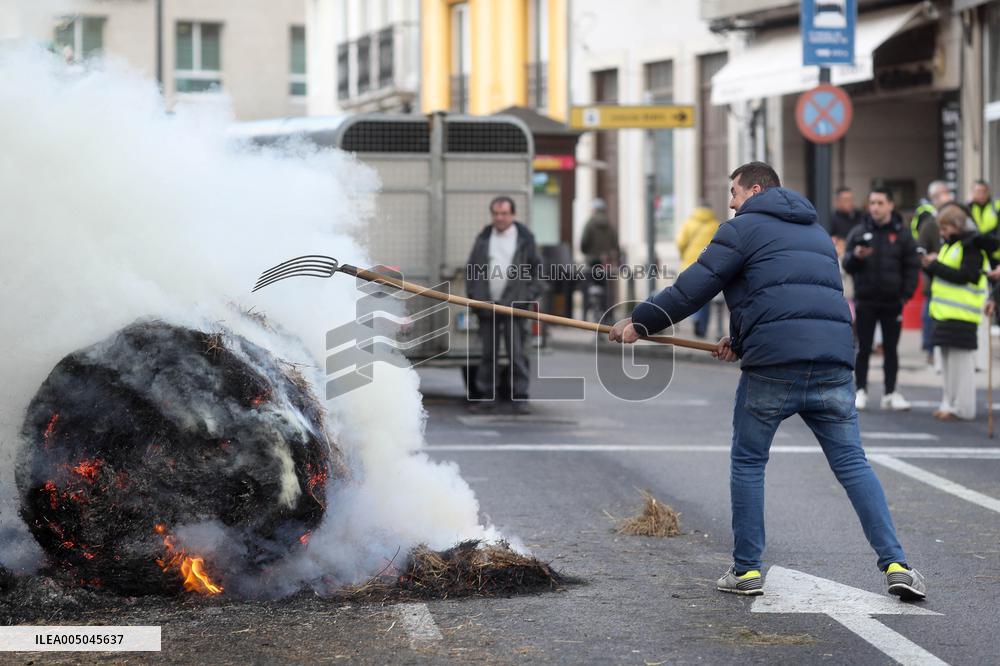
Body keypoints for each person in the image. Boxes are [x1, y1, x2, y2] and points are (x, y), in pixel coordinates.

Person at [608, 162, 926, 601]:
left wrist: (640, 323)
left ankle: (747, 571)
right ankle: (897, 565)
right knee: (853, 465)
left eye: (734, 192)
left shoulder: (741, 229)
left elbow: (692, 288)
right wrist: (740, 339)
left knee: (749, 462)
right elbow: (788, 293)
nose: (731, 202)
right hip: (833, 362)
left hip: (775, 367)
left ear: (755, 189)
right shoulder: (814, 232)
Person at [465, 196, 544, 414]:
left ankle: (520, 397)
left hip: (515, 307)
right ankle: (487, 396)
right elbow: (472, 269)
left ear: (513, 215)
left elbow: (539, 272)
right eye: (496, 214)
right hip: (487, 306)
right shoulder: (484, 238)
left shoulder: (525, 240)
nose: (500, 218)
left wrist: (527, 297)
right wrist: (474, 296)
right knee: (487, 354)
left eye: (504, 214)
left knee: (516, 354)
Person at [843, 188, 919, 411]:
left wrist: (905, 295)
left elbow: (912, 267)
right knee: (863, 348)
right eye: (872, 203)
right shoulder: (859, 231)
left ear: (890, 205)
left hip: (892, 301)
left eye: (880, 203)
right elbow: (847, 263)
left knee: (891, 348)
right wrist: (856, 256)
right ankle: (861, 390)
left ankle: (890, 392)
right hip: (865, 300)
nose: (875, 207)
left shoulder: (902, 234)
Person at [921, 203, 993, 420]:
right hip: (946, 314)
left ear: (956, 225)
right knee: (948, 362)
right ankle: (950, 404)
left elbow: (967, 276)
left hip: (962, 315)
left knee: (961, 365)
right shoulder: (952, 245)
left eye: (944, 229)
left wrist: (933, 266)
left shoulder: (970, 246)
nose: (942, 234)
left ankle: (963, 408)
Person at [915, 181, 954, 363]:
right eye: (938, 196)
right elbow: (920, 249)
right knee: (930, 314)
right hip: (934, 278)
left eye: (945, 193)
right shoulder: (929, 224)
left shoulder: (959, 219)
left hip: (955, 277)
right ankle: (930, 349)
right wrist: (931, 258)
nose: (943, 198)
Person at [676, 202, 719, 337]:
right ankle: (702, 327)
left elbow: (680, 242)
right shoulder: (715, 225)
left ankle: (695, 318)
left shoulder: (689, 223)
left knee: (690, 296)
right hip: (708, 266)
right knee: (706, 298)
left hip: (689, 265)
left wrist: (685, 256)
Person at [580, 198, 620, 318]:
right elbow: (615, 244)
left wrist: (586, 252)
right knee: (606, 287)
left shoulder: (590, 223)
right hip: (606, 262)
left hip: (592, 261)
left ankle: (587, 313)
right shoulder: (609, 224)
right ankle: (607, 314)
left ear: (594, 210)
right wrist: (614, 257)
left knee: (589, 286)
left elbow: (584, 242)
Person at [830, 186, 862, 253]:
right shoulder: (831, 219)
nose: (849, 202)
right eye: (846, 200)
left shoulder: (860, 216)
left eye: (851, 199)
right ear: (838, 201)